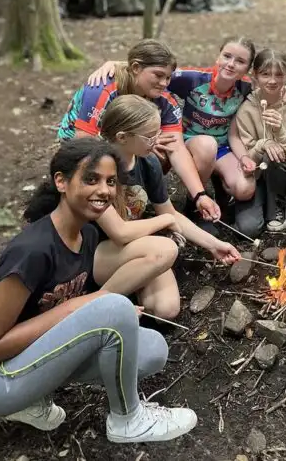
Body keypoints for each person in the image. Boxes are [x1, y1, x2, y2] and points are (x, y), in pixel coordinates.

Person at [0, 139, 198, 443]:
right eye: (91, 179)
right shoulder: (32, 250)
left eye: (110, 181)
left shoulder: (85, 235)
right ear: (61, 181)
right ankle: (127, 420)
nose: (104, 190)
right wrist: (86, 307)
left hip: (31, 357)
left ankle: (33, 398)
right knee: (112, 305)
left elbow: (80, 310)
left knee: (152, 350)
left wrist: (96, 313)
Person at [86, 37, 258, 236]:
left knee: (244, 187)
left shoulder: (247, 88)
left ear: (248, 69)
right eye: (227, 56)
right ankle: (185, 205)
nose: (231, 64)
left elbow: (271, 86)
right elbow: (151, 67)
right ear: (217, 57)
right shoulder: (192, 78)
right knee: (202, 146)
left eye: (240, 61)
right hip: (196, 143)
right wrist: (116, 64)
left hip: (224, 147)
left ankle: (212, 194)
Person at [95, 96, 242, 319]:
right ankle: (94, 305)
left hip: (137, 246)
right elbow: (120, 232)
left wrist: (214, 245)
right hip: (98, 252)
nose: (157, 140)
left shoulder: (148, 162)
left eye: (158, 132)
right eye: (149, 136)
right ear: (122, 137)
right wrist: (165, 222)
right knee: (166, 248)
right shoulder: (97, 170)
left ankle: (126, 290)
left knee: (165, 309)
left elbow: (170, 213)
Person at [59, 39, 222, 228]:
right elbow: (83, 144)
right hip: (83, 147)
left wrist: (199, 196)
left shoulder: (164, 98)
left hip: (124, 144)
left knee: (157, 146)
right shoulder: (103, 88)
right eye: (159, 75)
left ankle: (139, 200)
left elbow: (176, 147)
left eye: (168, 78)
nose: (164, 83)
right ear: (135, 68)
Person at [234, 48, 286, 235]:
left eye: (278, 75)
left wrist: (280, 131)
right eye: (265, 74)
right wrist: (262, 144)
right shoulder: (247, 108)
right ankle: (255, 199)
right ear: (255, 76)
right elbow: (245, 158)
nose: (272, 80)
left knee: (273, 153)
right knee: (248, 229)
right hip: (256, 175)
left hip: (282, 174)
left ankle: (277, 202)